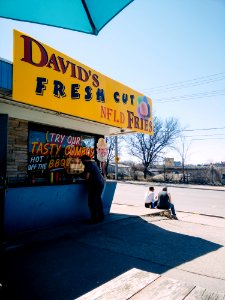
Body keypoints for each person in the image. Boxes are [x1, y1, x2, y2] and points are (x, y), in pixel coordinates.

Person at [80, 155, 105, 224]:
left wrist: (79, 175)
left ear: (84, 160)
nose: (81, 162)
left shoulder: (88, 165)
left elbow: (86, 177)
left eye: (82, 160)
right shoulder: (93, 164)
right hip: (100, 184)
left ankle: (94, 219)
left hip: (95, 185)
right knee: (98, 200)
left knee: (91, 202)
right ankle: (101, 216)